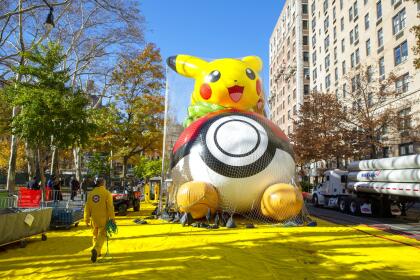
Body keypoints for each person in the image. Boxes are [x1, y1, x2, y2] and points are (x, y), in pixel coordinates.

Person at [84, 176, 115, 263]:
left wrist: (86, 219)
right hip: (103, 218)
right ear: (103, 184)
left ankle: (97, 252)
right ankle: (96, 250)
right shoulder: (106, 193)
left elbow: (87, 207)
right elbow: (110, 207)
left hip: (93, 219)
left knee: (95, 235)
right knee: (102, 235)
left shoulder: (91, 194)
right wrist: (112, 218)